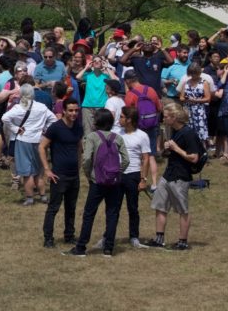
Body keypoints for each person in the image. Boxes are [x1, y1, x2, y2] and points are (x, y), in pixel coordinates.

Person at [65, 108, 128, 258]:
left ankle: (81, 247)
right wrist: (118, 172)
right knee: (112, 213)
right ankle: (108, 248)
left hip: (97, 181)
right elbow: (126, 159)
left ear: (97, 122)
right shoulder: (117, 138)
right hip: (114, 182)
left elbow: (86, 158)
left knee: (89, 214)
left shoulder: (92, 137)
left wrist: (88, 174)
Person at [146, 102, 200, 250]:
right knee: (160, 206)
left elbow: (194, 157)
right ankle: (159, 238)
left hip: (181, 176)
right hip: (168, 174)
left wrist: (177, 149)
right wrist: (167, 150)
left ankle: (183, 241)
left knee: (183, 210)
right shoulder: (173, 131)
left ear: (174, 117)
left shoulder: (188, 133)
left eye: (166, 116)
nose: (163, 119)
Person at [1, 84, 55, 206]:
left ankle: (30, 198)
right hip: (39, 141)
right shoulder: (42, 107)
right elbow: (53, 119)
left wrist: (15, 129)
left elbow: (4, 118)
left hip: (24, 140)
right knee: (39, 171)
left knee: (27, 172)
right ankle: (43, 196)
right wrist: (45, 129)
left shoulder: (19, 107)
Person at [40, 100, 83, 248]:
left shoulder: (78, 127)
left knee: (71, 208)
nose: (74, 113)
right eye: (70, 110)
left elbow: (79, 147)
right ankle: (48, 238)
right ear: (64, 111)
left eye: (76, 111)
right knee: (54, 207)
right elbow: (42, 147)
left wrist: (79, 166)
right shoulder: (55, 128)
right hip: (59, 175)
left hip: (73, 175)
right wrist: (47, 169)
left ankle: (69, 235)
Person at [118, 106, 151, 249]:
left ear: (129, 120)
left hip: (133, 175)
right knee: (113, 207)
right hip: (118, 175)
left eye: (122, 117)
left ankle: (134, 236)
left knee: (133, 207)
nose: (119, 119)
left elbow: (146, 158)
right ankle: (108, 235)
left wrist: (143, 179)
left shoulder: (142, 136)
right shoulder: (116, 133)